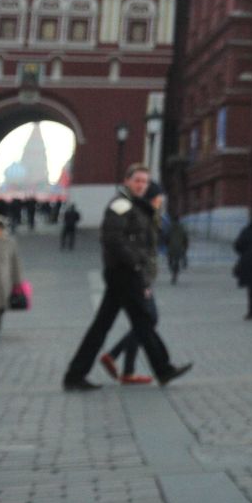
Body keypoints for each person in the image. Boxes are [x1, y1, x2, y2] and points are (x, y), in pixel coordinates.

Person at [62, 165, 190, 391]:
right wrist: (136, 264)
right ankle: (163, 368)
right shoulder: (121, 204)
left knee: (110, 324)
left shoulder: (136, 206)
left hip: (124, 273)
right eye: (137, 180)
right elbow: (113, 239)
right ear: (127, 181)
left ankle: (75, 373)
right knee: (143, 319)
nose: (141, 185)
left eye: (145, 182)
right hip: (124, 273)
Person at [103, 186, 167, 384]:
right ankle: (115, 358)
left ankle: (124, 368)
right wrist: (143, 280)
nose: (160, 202)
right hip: (136, 277)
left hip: (137, 276)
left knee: (143, 322)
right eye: (158, 198)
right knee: (148, 320)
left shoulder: (149, 215)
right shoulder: (141, 217)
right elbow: (140, 251)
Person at [166, 214, 189, 284]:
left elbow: (166, 237)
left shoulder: (170, 227)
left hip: (171, 248)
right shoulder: (182, 228)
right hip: (179, 248)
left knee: (170, 261)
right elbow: (185, 238)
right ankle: (175, 275)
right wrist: (185, 246)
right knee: (176, 262)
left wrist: (166, 244)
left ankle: (173, 271)